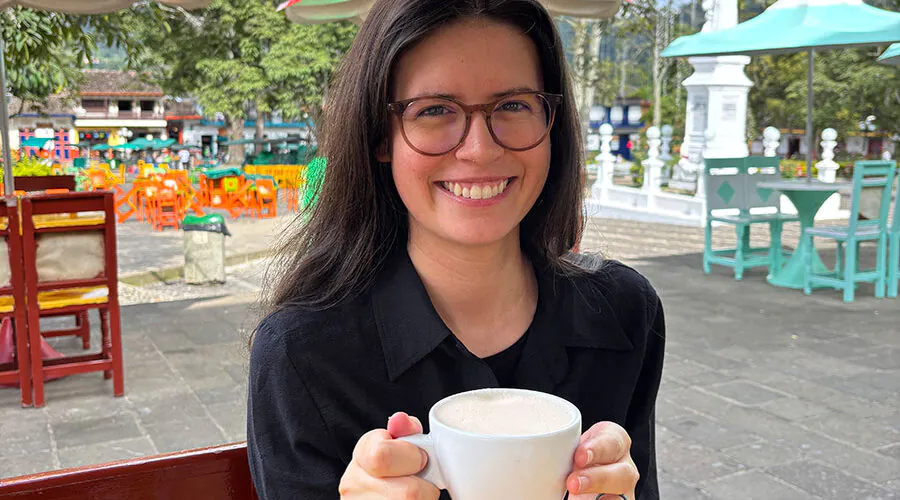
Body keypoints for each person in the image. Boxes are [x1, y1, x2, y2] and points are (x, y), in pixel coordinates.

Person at [247, 1, 665, 499]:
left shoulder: (624, 312)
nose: (479, 150)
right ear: (381, 137)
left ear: (552, 123)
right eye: (435, 110)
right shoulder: (303, 354)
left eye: (513, 106)